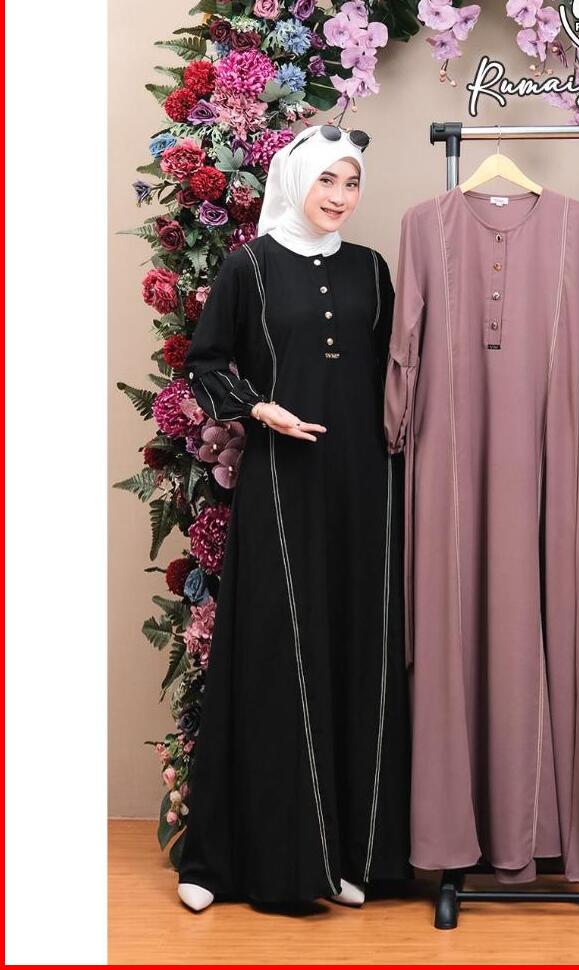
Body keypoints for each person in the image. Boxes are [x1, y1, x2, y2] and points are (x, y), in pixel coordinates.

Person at [175, 124, 410, 911]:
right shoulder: (249, 266)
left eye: (352, 182)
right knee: (281, 649)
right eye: (327, 181)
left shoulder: (372, 271)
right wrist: (260, 408)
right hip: (282, 480)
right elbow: (206, 362)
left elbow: (398, 371)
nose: (340, 197)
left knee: (356, 646)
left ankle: (350, 854)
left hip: (365, 480)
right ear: (296, 181)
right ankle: (235, 861)